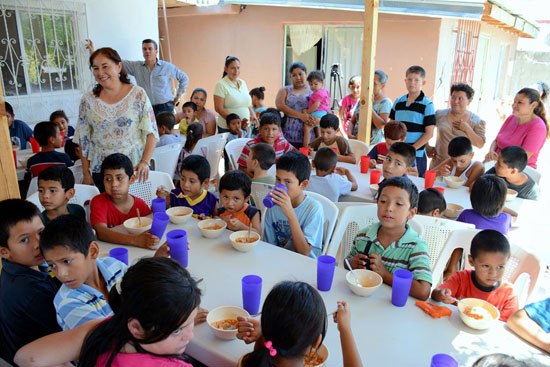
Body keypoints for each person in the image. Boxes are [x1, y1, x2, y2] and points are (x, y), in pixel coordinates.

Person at [14, 257, 202, 367]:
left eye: (190, 322)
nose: (190, 336)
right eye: (177, 331)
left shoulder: (101, 330)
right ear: (136, 328)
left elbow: (26, 358)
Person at [75, 47, 158, 190]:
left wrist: (145, 162)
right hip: (101, 173)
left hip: (133, 171)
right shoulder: (87, 101)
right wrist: (86, 174)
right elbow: (84, 141)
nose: (100, 73)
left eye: (105, 66)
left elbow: (152, 133)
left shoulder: (137, 94)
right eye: (95, 68)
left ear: (119, 66)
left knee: (135, 211)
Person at [237, 281, 362, 367]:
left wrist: (265, 332)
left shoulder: (246, 363)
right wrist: (345, 329)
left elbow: (263, 352)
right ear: (316, 342)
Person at [346, 177, 432, 300]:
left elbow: (423, 291)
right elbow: (346, 264)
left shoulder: (415, 246)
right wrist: (351, 263)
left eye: (399, 204)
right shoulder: (364, 236)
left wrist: (385, 275)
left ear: (411, 213)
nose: (389, 208)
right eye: (383, 201)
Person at [40, 215, 126, 330]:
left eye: (67, 261)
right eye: (52, 265)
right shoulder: (68, 302)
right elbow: (111, 341)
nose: (61, 274)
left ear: (93, 251)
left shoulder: (114, 266)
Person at [0, 199, 60, 365]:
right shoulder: (30, 291)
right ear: (4, 251)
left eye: (40, 233)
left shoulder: (22, 268)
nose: (38, 244)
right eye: (24, 240)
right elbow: (70, 327)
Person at [431, 229, 518, 322]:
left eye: (500, 267)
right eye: (486, 266)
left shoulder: (509, 294)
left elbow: (506, 327)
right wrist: (441, 294)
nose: (493, 273)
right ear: (471, 261)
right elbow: (435, 295)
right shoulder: (460, 278)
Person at [86, 39, 189, 116]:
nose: (147, 51)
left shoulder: (167, 67)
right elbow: (114, 62)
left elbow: (184, 78)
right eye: (144, 49)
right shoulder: (136, 67)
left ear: (156, 51)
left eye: (150, 49)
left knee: (166, 139)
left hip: (165, 107)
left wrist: (178, 96)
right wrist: (93, 52)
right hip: (146, 108)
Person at [90, 153, 158, 249]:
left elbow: (150, 226)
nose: (114, 184)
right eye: (108, 179)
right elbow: (101, 233)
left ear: (132, 179)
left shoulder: (139, 205)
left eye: (119, 178)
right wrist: (135, 240)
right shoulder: (98, 202)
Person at [263, 151, 324, 258]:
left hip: (306, 265)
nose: (280, 185)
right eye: (278, 179)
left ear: (303, 184)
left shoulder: (313, 209)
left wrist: (290, 214)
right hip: (280, 260)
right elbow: (269, 246)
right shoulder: (273, 207)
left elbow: (304, 252)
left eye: (288, 182)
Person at [485, 87, 549, 169]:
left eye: (520, 102)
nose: (514, 105)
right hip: (497, 164)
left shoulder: (538, 127)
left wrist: (497, 160)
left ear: (533, 105)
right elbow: (496, 140)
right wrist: (491, 152)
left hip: (516, 170)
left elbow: (521, 159)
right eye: (514, 101)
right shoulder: (511, 118)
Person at [389, 66, 435, 177]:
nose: (412, 83)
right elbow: (392, 127)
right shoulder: (398, 101)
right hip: (398, 154)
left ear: (423, 83)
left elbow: (429, 133)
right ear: (405, 81)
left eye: (416, 80)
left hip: (416, 155)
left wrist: (411, 149)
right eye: (409, 79)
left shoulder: (427, 105)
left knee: (414, 186)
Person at [427, 84, 486, 168]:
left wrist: (467, 129)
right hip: (438, 165)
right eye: (453, 97)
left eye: (460, 99)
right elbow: (424, 128)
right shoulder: (439, 114)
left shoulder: (476, 121)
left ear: (469, 100)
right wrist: (427, 146)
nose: (455, 101)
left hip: (460, 168)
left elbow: (480, 144)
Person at [276, 62, 316, 148]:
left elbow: (323, 108)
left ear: (306, 74)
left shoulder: (314, 91)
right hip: (287, 136)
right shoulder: (285, 90)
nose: (298, 78)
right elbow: (280, 105)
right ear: (290, 77)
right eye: (294, 75)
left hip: (308, 137)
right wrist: (301, 116)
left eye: (300, 74)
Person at [214, 56, 258, 134]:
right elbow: (219, 108)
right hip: (228, 129)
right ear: (226, 69)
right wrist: (237, 123)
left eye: (238, 68)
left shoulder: (242, 83)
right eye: (233, 68)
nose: (236, 71)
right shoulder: (221, 84)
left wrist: (253, 115)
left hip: (245, 127)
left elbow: (247, 104)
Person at [349, 70, 391, 145]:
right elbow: (353, 121)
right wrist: (350, 135)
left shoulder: (385, 102)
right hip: (357, 142)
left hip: (373, 146)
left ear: (382, 86)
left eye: (374, 84)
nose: (370, 85)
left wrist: (369, 106)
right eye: (369, 82)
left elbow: (381, 125)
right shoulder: (362, 100)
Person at [302, 70, 330, 146]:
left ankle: (305, 147)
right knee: (319, 133)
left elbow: (316, 105)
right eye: (311, 84)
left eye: (315, 84)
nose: (313, 86)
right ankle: (320, 147)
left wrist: (308, 111)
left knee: (307, 129)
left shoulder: (319, 93)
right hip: (322, 113)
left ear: (322, 83)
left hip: (317, 113)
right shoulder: (324, 91)